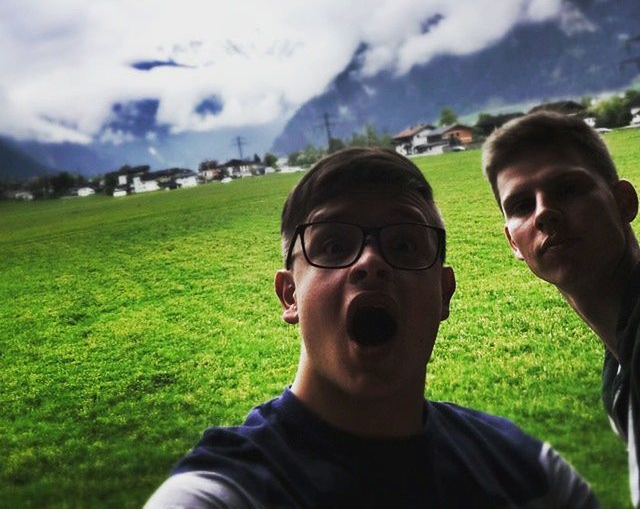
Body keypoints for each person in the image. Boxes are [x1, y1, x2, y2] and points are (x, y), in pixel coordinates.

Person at [145, 147, 599, 508]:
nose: (371, 262)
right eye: (334, 244)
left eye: (403, 244)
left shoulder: (532, 476)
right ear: (290, 296)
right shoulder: (226, 491)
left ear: (444, 292)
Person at [482, 111, 640, 507]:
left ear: (623, 202)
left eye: (568, 188)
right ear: (513, 244)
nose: (544, 213)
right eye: (520, 204)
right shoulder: (620, 368)